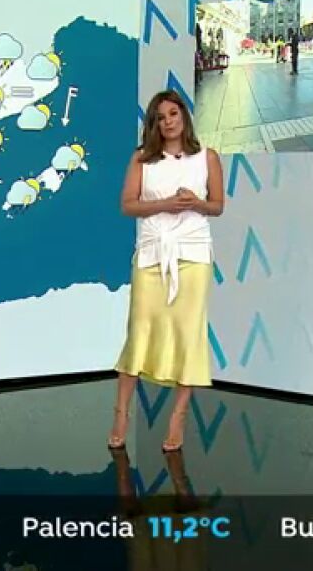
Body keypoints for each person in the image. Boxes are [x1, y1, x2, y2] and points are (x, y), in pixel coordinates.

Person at [108, 90, 225, 453]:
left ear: (184, 116)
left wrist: (196, 203)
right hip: (152, 254)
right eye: (161, 117)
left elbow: (217, 206)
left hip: (193, 255)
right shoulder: (142, 158)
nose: (168, 121)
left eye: (173, 113)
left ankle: (179, 415)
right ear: (154, 124)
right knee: (139, 328)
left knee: (188, 332)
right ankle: (121, 412)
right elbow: (127, 205)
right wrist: (165, 204)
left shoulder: (207, 157)